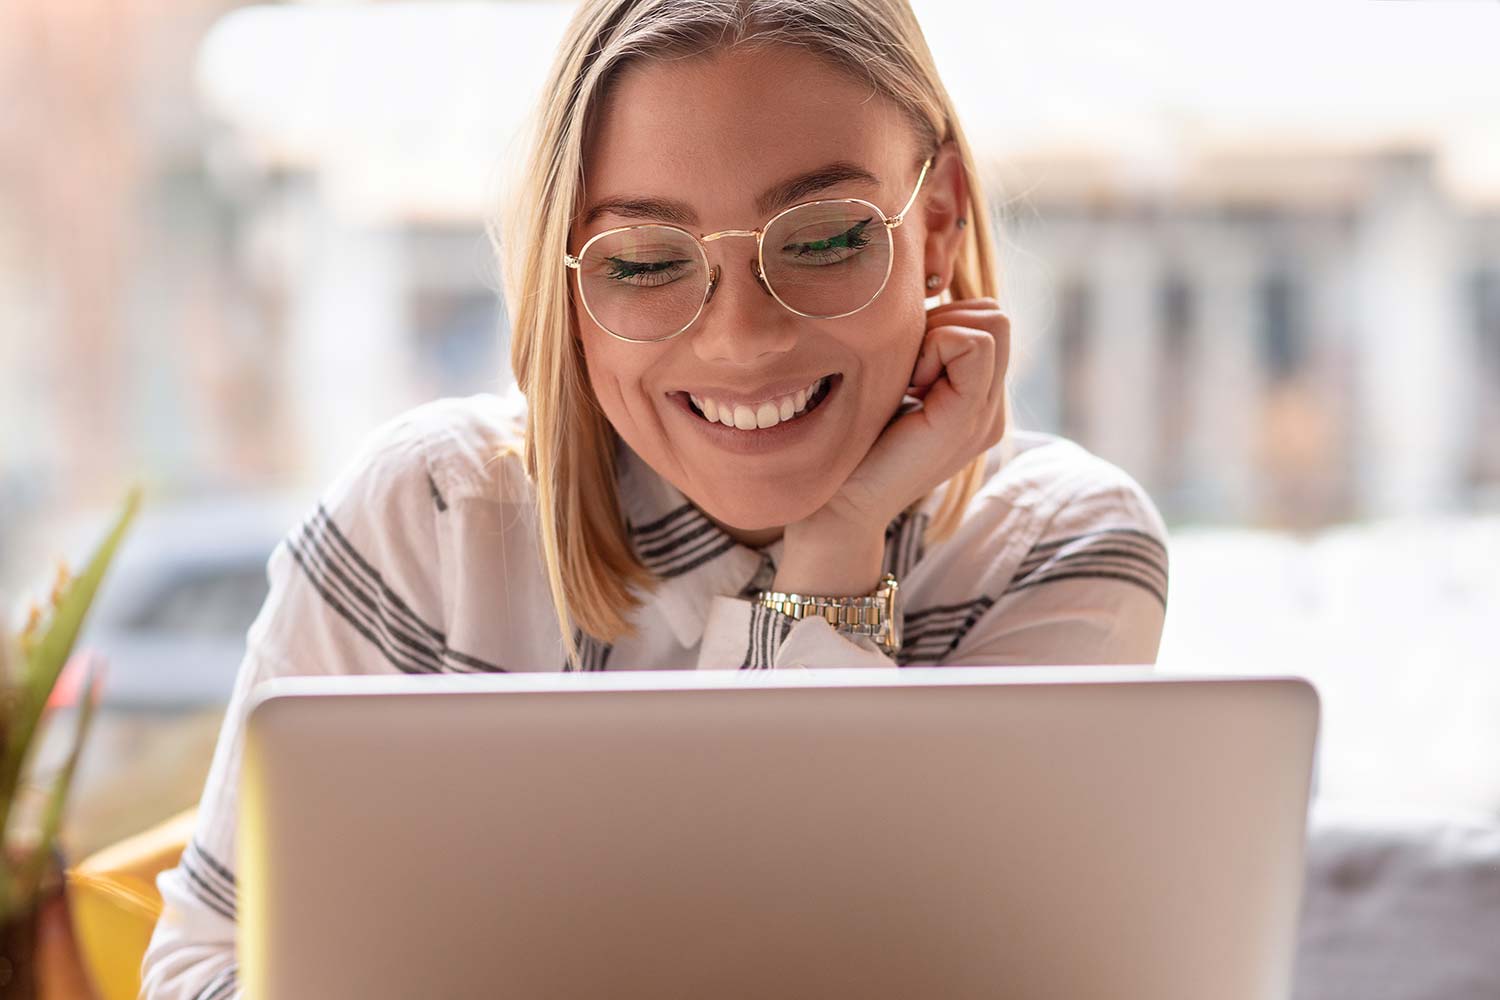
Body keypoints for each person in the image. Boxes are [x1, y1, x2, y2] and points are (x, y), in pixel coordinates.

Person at [139, 0, 1170, 995]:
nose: (741, 339)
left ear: (936, 224)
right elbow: (201, 969)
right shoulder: (433, 514)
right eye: (644, 263)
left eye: (822, 241)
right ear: (570, 280)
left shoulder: (1056, 550)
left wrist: (835, 547)